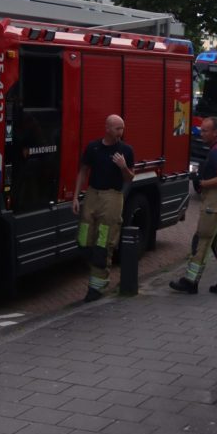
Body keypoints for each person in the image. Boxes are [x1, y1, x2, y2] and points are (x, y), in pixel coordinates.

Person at [72, 114, 135, 302]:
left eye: (122, 128)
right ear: (107, 128)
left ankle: (96, 287)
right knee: (84, 237)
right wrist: (76, 197)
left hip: (112, 196)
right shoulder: (93, 148)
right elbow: (83, 171)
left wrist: (123, 167)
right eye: (117, 128)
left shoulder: (126, 150)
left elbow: (130, 178)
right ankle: (94, 273)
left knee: (104, 241)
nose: (121, 132)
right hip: (93, 194)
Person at [170, 116, 217, 295]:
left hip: (212, 203)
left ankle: (190, 281)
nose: (201, 133)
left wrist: (201, 183)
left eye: (205, 130)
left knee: (202, 241)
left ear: (216, 132)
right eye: (201, 129)